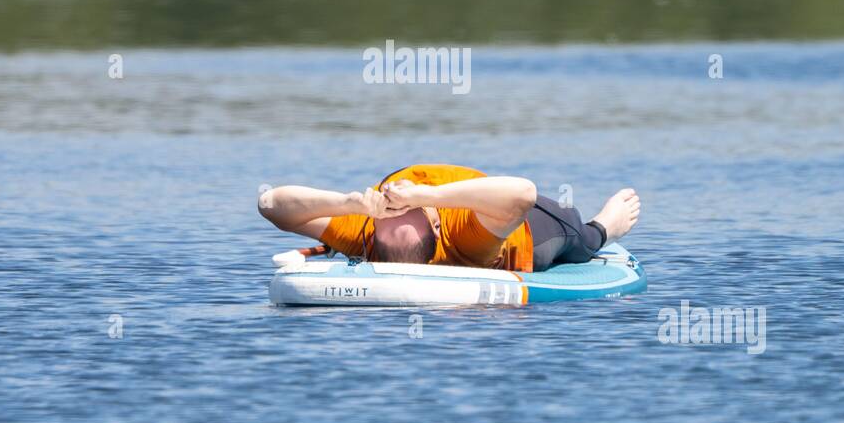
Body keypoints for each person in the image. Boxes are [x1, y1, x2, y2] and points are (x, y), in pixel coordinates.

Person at [258, 163, 639, 272]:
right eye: (400, 211)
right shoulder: (462, 239)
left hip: (459, 192)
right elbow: (522, 193)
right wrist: (427, 197)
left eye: (390, 211)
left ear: (372, 232)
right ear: (437, 223)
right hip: (510, 227)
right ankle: (606, 225)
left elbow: (269, 203)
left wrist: (348, 204)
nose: (393, 204)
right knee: (579, 241)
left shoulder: (361, 229)